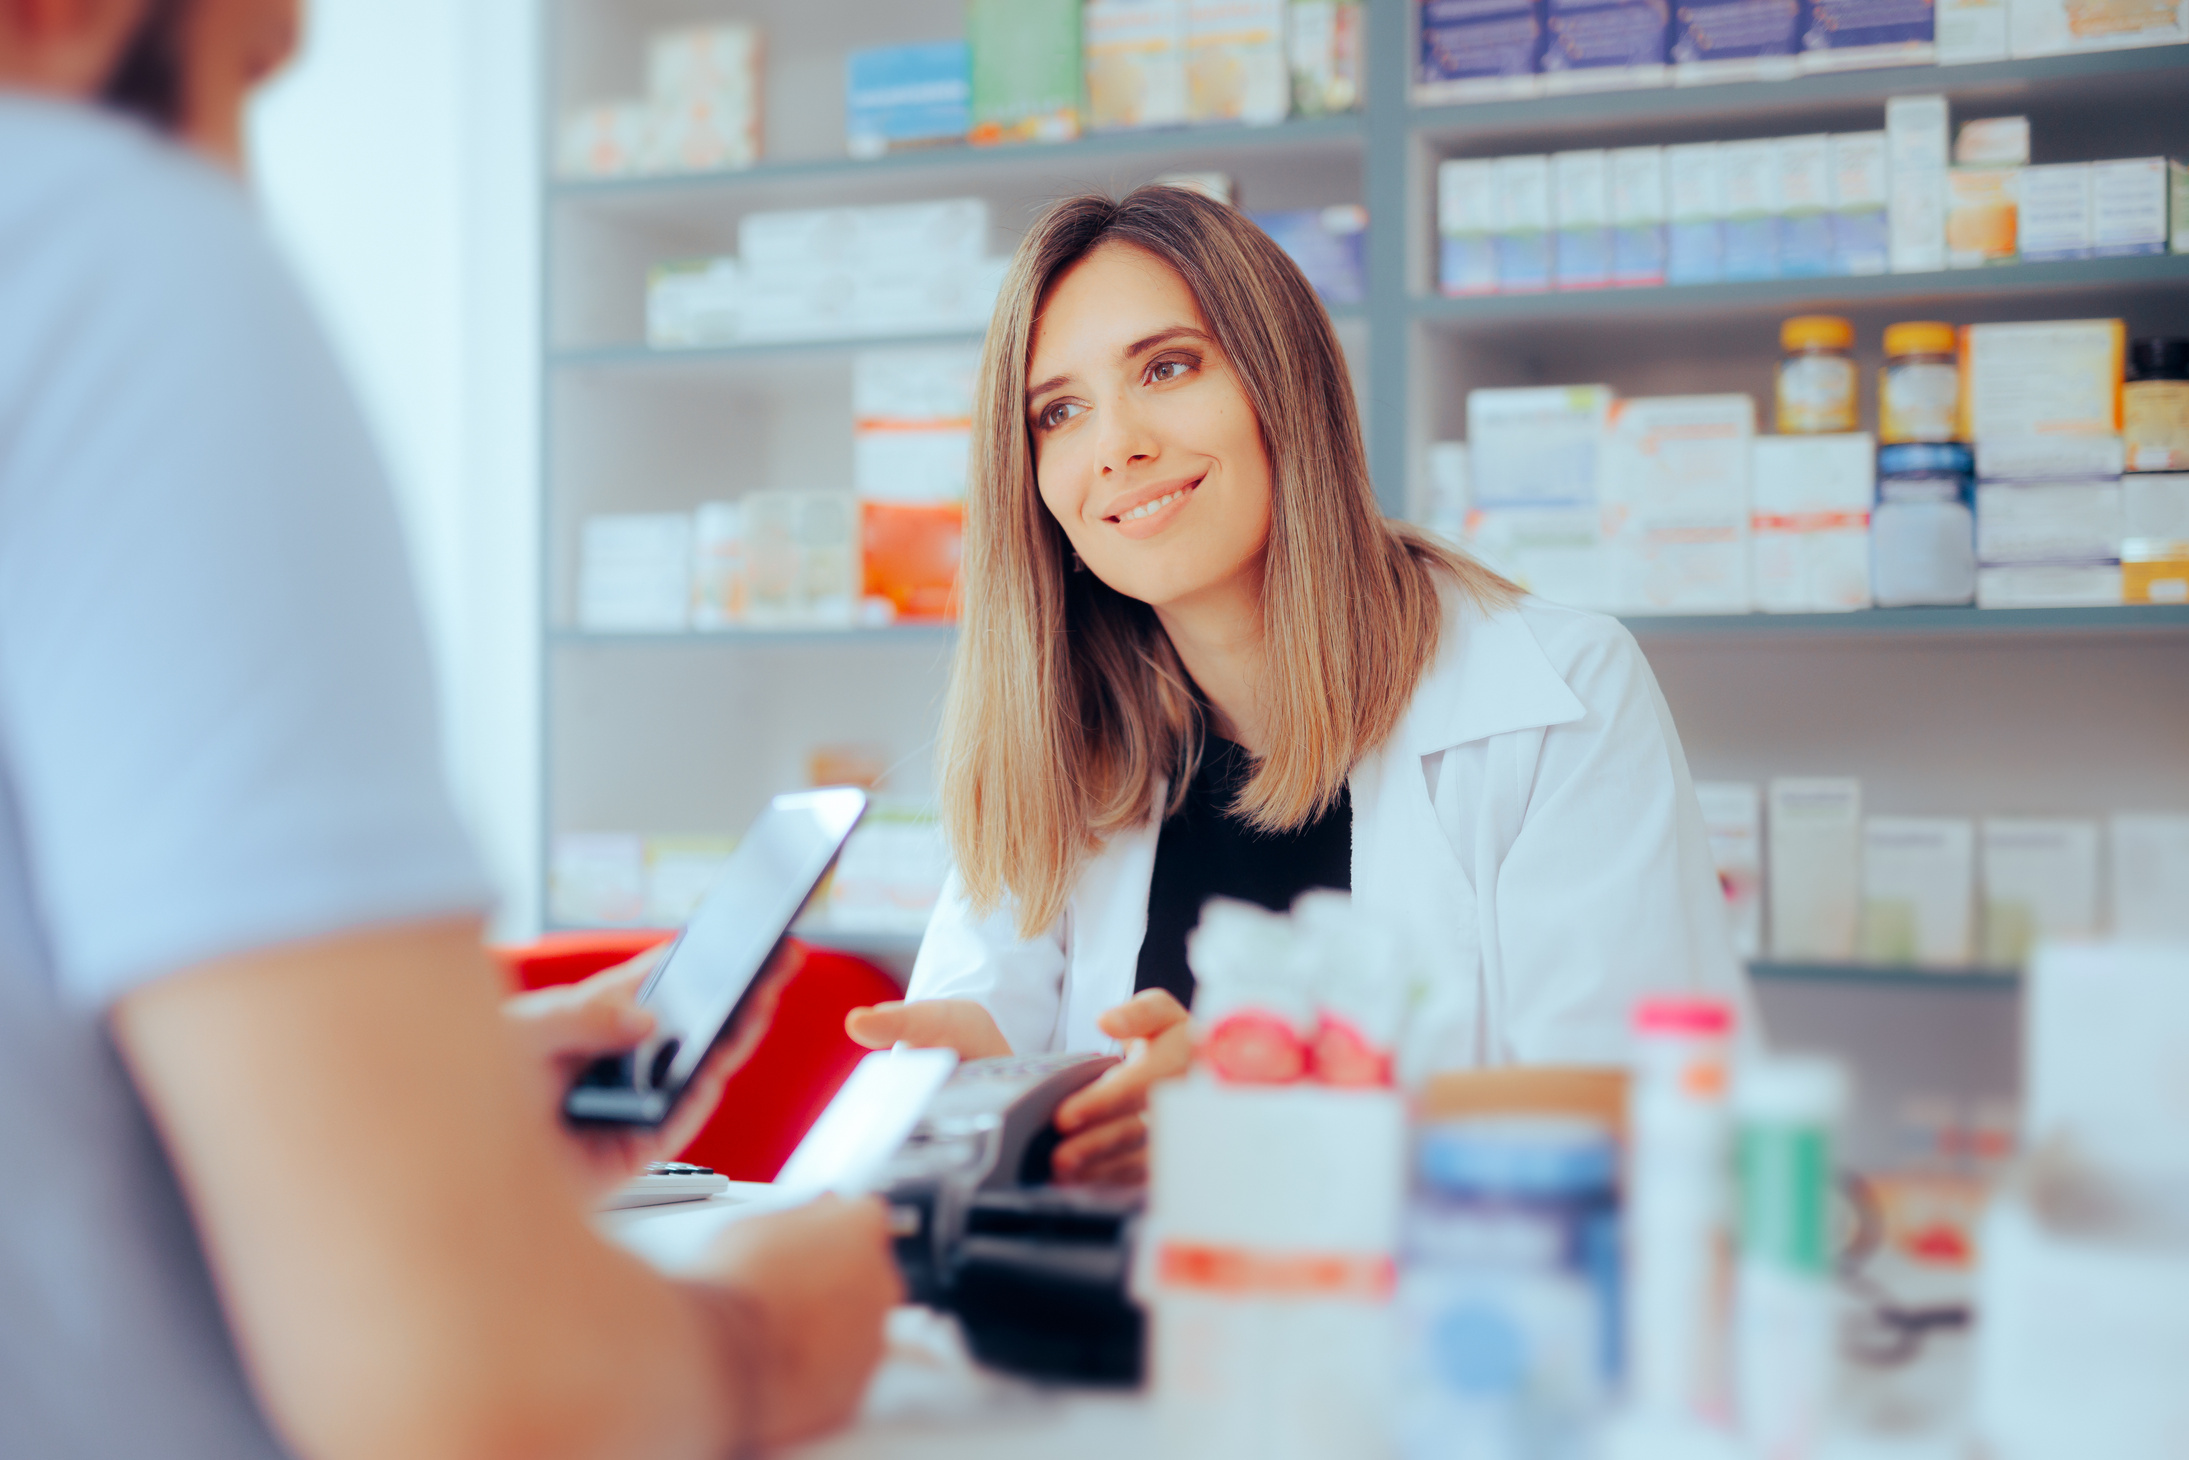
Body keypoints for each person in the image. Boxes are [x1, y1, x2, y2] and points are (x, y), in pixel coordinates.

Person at [0, 3, 896, 1457]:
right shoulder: (105, 260)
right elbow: (489, 1400)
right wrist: (764, 1338)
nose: (238, 182)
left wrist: (417, 1150)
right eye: (249, 76)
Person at [849, 186, 1746, 1186]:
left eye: (1167, 365)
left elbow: (1644, 1112)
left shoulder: (1554, 690)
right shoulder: (1055, 735)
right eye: (1058, 411)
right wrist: (979, 1090)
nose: (1116, 444)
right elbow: (993, 1026)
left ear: (1284, 382)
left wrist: (1253, 1111)